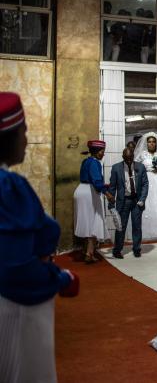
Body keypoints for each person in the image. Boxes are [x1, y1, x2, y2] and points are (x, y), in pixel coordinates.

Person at [0, 92, 80, 383]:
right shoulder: (8, 186)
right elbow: (15, 269)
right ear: (9, 137)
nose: (27, 139)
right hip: (13, 309)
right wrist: (60, 279)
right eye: (24, 132)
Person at [74, 139, 114, 263]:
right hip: (89, 193)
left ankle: (87, 250)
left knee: (87, 222)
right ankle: (89, 254)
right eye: (102, 151)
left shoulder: (86, 161)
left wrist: (104, 186)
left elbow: (90, 178)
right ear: (97, 152)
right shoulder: (95, 163)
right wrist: (107, 193)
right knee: (94, 222)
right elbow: (96, 181)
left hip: (81, 190)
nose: (103, 154)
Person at [108, 148, 149, 259]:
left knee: (137, 226)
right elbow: (112, 187)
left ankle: (136, 249)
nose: (129, 161)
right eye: (127, 159)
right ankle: (117, 250)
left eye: (131, 158)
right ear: (123, 157)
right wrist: (111, 203)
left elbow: (145, 184)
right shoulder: (116, 168)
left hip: (137, 201)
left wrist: (142, 199)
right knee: (121, 226)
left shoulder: (140, 167)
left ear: (133, 156)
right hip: (124, 201)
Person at [133, 132, 157, 240]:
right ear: (146, 143)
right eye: (149, 142)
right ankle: (144, 231)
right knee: (146, 203)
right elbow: (135, 167)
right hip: (145, 180)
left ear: (156, 143)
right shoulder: (142, 154)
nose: (151, 144)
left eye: (153, 142)